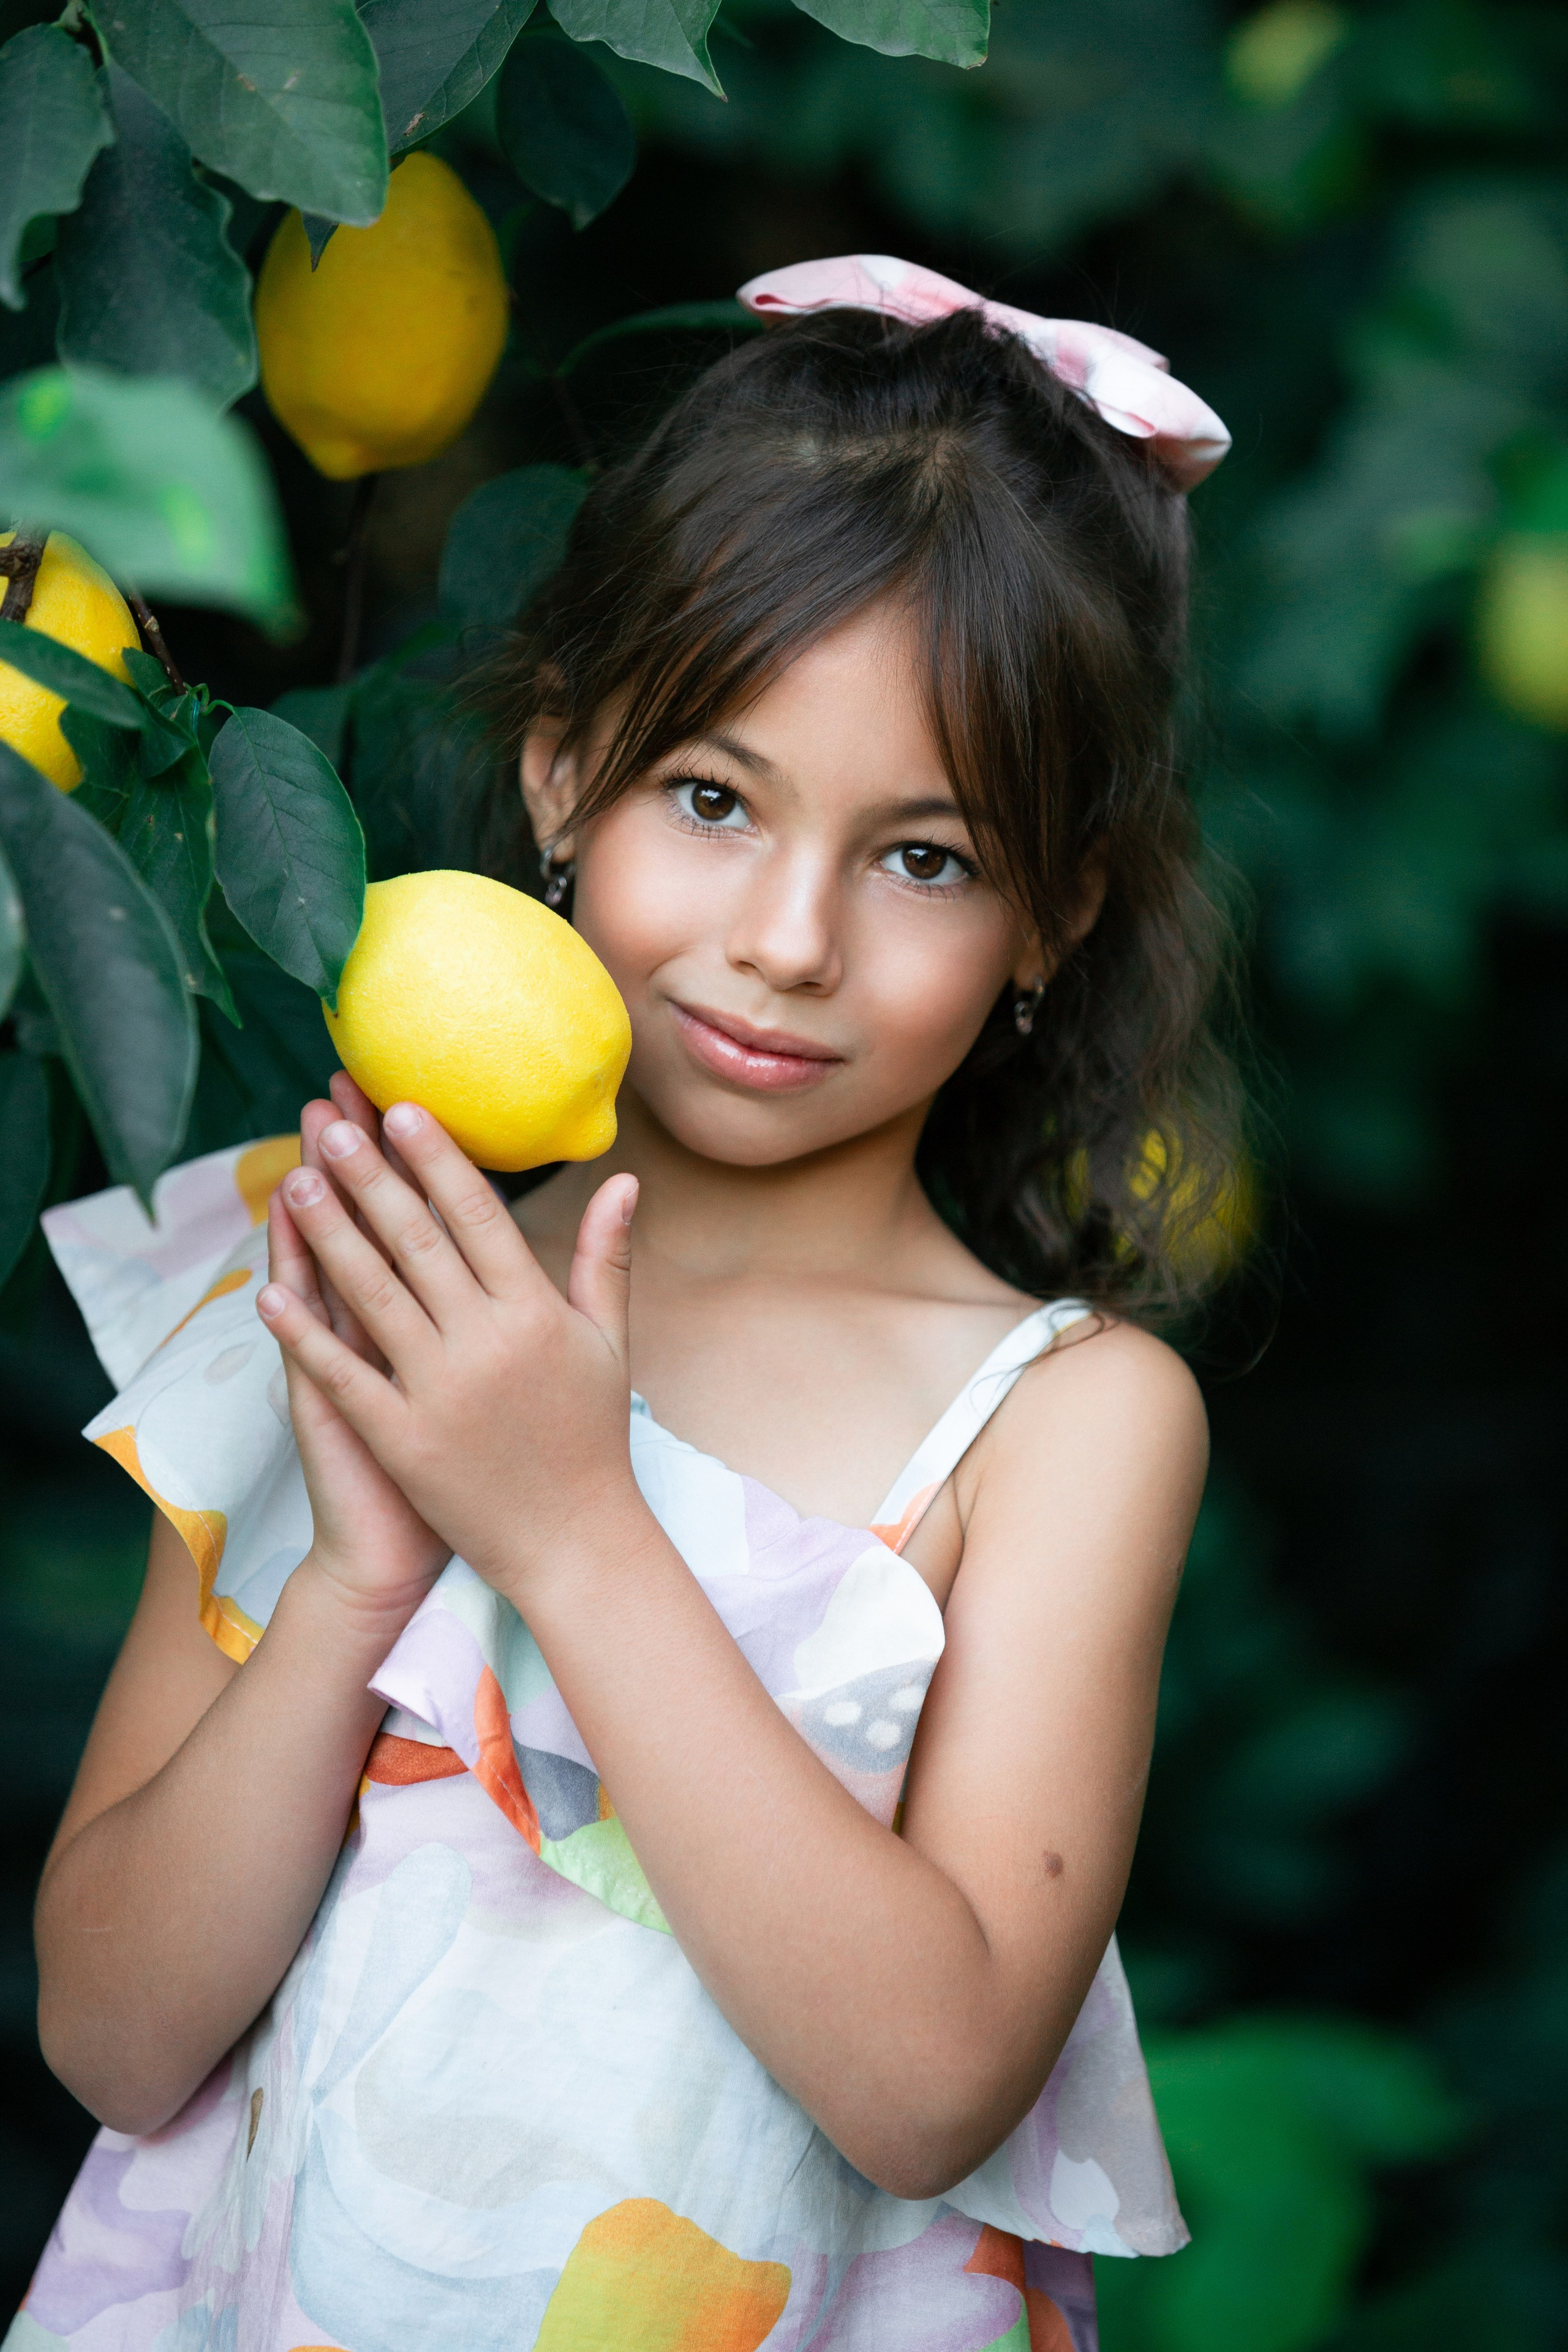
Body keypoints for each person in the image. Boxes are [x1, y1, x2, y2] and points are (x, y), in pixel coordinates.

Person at [14, 257, 1237, 2352]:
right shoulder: (360, 1267)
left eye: (926, 859)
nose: (789, 940)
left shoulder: (1062, 1424)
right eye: (715, 799)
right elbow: (115, 2038)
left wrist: (572, 1529)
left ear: (1056, 914)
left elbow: (931, 2088)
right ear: (566, 777)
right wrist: (359, 1578)